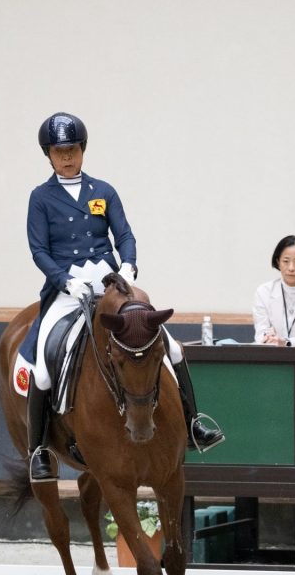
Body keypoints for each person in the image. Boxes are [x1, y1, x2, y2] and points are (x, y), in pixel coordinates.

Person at [20, 112, 223, 482]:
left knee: (172, 347)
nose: (67, 157)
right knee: (45, 363)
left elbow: (124, 235)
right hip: (68, 289)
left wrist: (128, 266)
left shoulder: (104, 191)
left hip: (111, 285)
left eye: (73, 150)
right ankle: (39, 450)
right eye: (59, 151)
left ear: (83, 150)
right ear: (48, 155)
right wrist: (65, 280)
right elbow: (39, 250)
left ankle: (194, 424)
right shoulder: (41, 198)